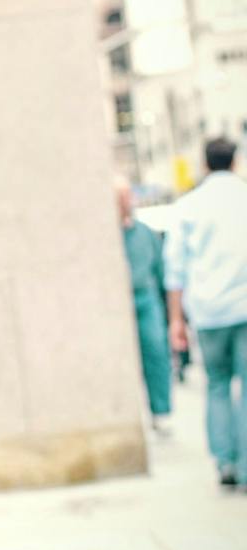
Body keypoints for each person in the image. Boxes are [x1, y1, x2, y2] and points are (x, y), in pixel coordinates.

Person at [165, 137, 247, 489]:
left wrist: (175, 319)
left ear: (204, 164)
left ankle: (224, 462)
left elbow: (174, 268)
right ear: (235, 162)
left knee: (216, 385)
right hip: (244, 309)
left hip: (209, 311)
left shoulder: (189, 206)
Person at [117, 179, 171, 433]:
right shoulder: (110, 236)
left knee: (156, 353)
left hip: (147, 298)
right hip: (119, 302)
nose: (127, 201)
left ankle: (160, 411)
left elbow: (161, 270)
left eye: (128, 196)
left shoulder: (144, 233)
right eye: (122, 197)